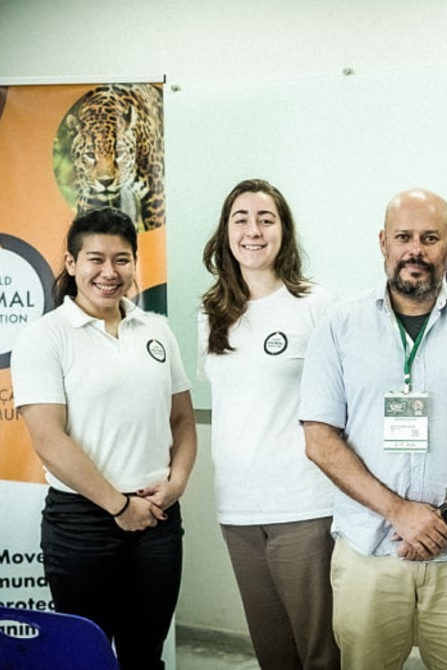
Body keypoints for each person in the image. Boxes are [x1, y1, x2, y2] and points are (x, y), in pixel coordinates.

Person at [299, 189, 447, 670]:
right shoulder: (340, 327)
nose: (415, 250)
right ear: (383, 242)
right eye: (403, 237)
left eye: (429, 238)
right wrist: (400, 512)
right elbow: (319, 440)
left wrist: (445, 518)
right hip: (369, 551)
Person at [11, 207, 196, 670]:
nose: (109, 273)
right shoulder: (44, 337)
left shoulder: (157, 330)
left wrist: (175, 486)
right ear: (72, 264)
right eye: (95, 259)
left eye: (122, 260)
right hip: (83, 523)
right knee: (85, 660)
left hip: (157, 517)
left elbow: (183, 423)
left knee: (145, 657)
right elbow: (49, 440)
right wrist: (118, 505)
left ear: (135, 264)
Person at [198, 179, 340, 669]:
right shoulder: (210, 313)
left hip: (303, 504)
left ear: (284, 231)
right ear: (226, 233)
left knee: (319, 652)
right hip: (237, 507)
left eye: (266, 219)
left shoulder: (317, 304)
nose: (253, 231)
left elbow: (344, 402)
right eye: (241, 219)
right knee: (272, 654)